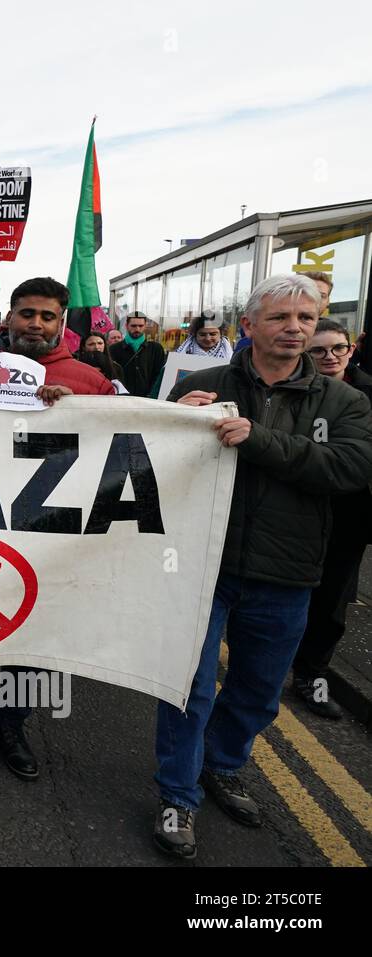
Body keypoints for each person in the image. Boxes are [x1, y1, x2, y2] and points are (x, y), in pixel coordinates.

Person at [155, 274, 372, 859]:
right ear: (247, 326)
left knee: (256, 691)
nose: (296, 329)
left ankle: (222, 766)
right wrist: (172, 421)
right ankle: (177, 793)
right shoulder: (200, 383)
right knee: (188, 689)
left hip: (287, 572)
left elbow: (348, 470)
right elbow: (142, 460)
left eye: (307, 318)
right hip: (203, 565)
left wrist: (259, 441)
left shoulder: (345, 401)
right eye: (281, 318)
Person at [0, 277, 115, 781]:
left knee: (39, 632)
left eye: (47, 316)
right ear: (9, 317)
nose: (36, 324)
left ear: (62, 323)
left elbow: (118, 451)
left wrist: (78, 414)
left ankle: (12, 725)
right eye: (26, 314)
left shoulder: (89, 382)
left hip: (51, 535)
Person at [288, 318, 372, 720]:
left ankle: (312, 678)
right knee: (279, 595)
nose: (330, 357)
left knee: (332, 602)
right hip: (296, 509)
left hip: (349, 515)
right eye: (318, 350)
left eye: (338, 348)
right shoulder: (295, 391)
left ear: (351, 349)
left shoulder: (368, 392)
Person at [109, 310, 166, 397]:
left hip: (147, 399)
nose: (137, 329)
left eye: (140, 326)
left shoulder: (156, 349)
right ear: (126, 326)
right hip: (122, 399)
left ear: (145, 326)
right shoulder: (114, 349)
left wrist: (152, 394)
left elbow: (159, 375)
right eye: (133, 326)